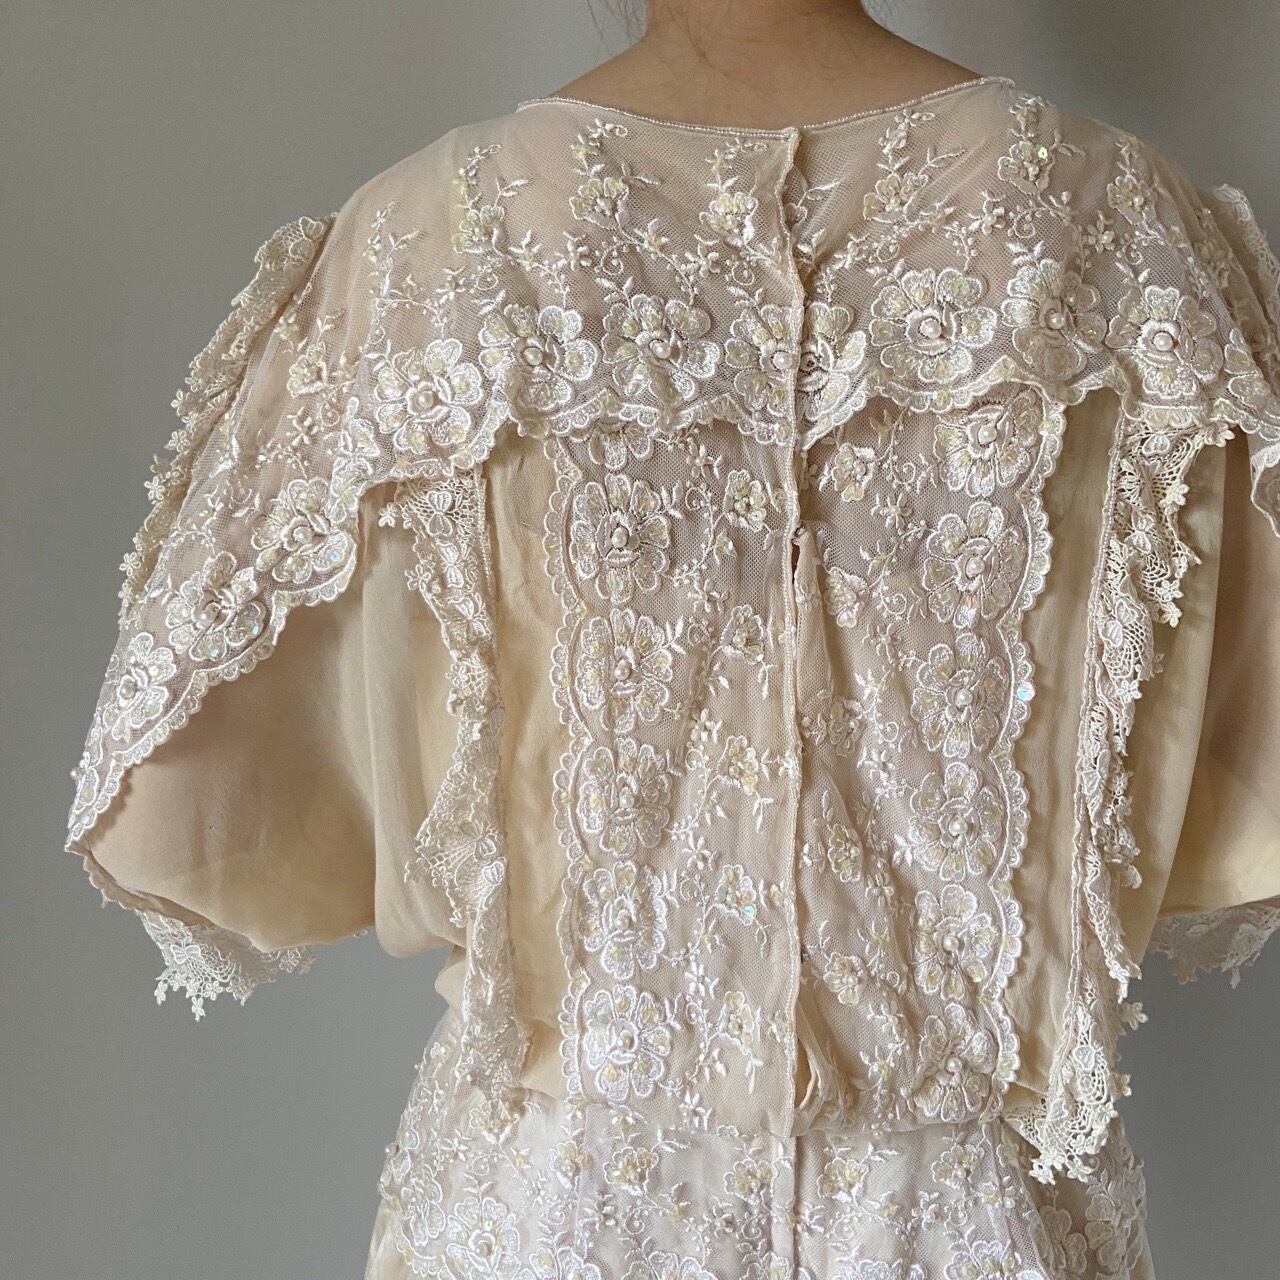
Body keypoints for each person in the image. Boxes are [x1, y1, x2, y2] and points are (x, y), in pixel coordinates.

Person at [65, 3, 1280, 1277]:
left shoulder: (434, 242)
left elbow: (178, 801)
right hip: (976, 1218)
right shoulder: (1118, 229)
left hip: (552, 1211)